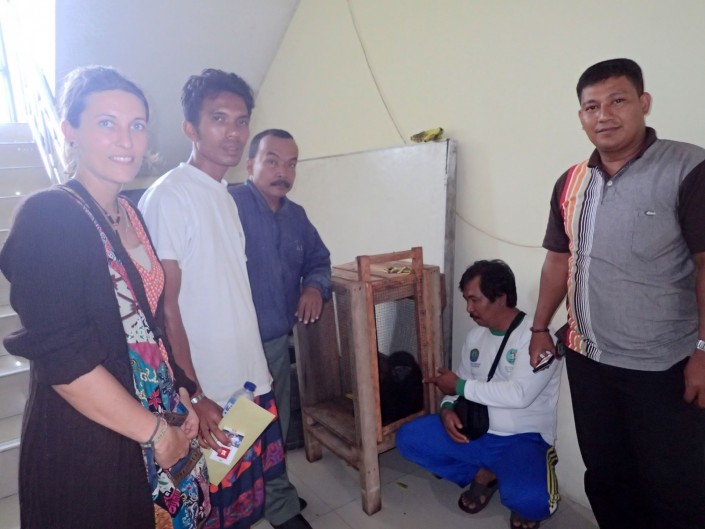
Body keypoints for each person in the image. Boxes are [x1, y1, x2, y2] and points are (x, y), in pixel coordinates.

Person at [0, 66, 209, 529]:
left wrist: (179, 388)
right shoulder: (48, 216)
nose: (127, 140)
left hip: (154, 416)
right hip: (89, 442)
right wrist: (156, 434)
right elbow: (63, 358)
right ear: (69, 130)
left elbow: (148, 324)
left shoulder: (130, 211)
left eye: (137, 125)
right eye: (107, 123)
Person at [529, 58, 705, 529]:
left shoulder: (688, 166)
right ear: (581, 116)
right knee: (607, 476)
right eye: (591, 107)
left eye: (617, 100)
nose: (603, 115)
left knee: (676, 488)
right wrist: (540, 327)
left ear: (643, 103)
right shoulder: (570, 182)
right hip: (587, 361)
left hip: (661, 368)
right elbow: (557, 261)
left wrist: (704, 352)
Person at [139, 69, 311, 529]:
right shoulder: (170, 197)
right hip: (209, 388)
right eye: (218, 119)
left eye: (241, 120)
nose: (233, 132)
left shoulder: (225, 196)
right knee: (209, 502)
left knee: (243, 498)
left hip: (246, 378)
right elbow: (164, 307)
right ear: (190, 128)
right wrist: (193, 393)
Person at [397, 260, 561, 529]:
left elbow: (519, 395)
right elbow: (459, 387)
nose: (469, 309)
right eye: (466, 300)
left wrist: (459, 387)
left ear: (501, 297)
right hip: (475, 431)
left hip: (523, 439)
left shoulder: (539, 337)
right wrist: (447, 408)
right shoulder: (475, 337)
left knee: (534, 503)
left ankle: (510, 480)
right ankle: (483, 473)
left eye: (474, 300)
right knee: (408, 439)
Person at [229, 128, 331, 447]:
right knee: (236, 431)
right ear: (250, 165)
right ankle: (244, 482)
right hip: (232, 346)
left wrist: (313, 287)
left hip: (274, 341)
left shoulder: (296, 216)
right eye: (272, 161)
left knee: (276, 421)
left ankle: (276, 479)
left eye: (291, 164)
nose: (283, 172)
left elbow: (319, 260)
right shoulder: (228, 207)